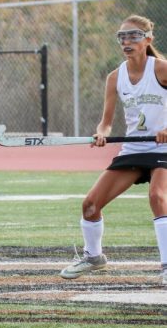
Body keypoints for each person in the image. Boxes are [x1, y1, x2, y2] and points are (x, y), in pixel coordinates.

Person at [60, 15, 167, 286]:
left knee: (158, 196)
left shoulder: (162, 69)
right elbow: (106, 123)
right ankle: (94, 257)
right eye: (122, 37)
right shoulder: (115, 77)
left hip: (163, 147)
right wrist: (101, 134)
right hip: (134, 148)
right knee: (90, 205)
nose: (127, 42)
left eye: (133, 36)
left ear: (148, 39)